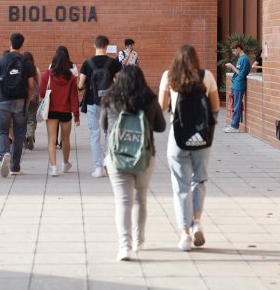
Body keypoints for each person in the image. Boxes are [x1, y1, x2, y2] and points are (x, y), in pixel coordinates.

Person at [100, 66, 166, 261]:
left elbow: (103, 125)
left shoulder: (110, 99)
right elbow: (161, 127)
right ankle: (139, 240)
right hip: (144, 157)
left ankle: (125, 247)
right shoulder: (149, 99)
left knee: (123, 202)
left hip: (117, 157)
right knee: (140, 199)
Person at [158, 45, 220, 251]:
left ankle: (185, 234)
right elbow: (215, 108)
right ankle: (197, 222)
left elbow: (161, 106)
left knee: (180, 185)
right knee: (199, 180)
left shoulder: (168, 76)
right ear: (195, 59)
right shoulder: (207, 76)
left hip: (178, 137)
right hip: (202, 137)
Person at [78, 35, 123, 177]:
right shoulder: (114, 63)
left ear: (94, 45)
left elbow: (80, 85)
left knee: (94, 135)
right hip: (110, 102)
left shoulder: (87, 63)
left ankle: (98, 168)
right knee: (109, 134)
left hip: (92, 102)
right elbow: (121, 82)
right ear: (106, 46)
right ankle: (109, 164)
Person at [0, 33, 35, 177]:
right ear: (22, 44)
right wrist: (28, 99)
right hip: (21, 102)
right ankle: (15, 167)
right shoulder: (26, 62)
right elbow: (31, 84)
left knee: (1, 131)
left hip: (4, 100)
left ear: (9, 43)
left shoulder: (2, 60)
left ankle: (5, 153)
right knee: (19, 133)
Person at [39, 49, 80, 176]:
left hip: (51, 110)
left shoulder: (47, 75)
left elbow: (41, 93)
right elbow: (74, 98)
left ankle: (53, 167)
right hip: (66, 111)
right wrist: (77, 115)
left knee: (52, 139)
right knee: (65, 139)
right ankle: (65, 164)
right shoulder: (72, 78)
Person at [224, 41, 251, 133]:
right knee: (235, 105)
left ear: (239, 48)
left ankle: (234, 126)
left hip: (239, 85)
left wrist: (231, 66)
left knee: (237, 106)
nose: (233, 53)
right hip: (236, 84)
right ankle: (233, 125)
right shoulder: (241, 58)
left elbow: (241, 74)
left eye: (234, 51)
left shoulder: (244, 59)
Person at [23, 52, 41, 151]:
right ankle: (30, 134)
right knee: (32, 119)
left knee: (23, 119)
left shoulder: (21, 69)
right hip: (34, 97)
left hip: (23, 98)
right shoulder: (35, 69)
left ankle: (25, 137)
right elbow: (39, 83)